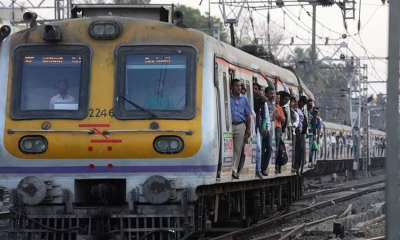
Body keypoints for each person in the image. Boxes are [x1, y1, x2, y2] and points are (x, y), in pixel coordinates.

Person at [230, 79, 252, 179]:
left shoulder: (244, 99)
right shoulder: (227, 98)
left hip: (240, 125)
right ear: (231, 87)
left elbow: (248, 115)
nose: (239, 88)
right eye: (236, 86)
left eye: (240, 86)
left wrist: (248, 129)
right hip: (229, 125)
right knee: (229, 148)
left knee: (237, 148)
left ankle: (234, 170)